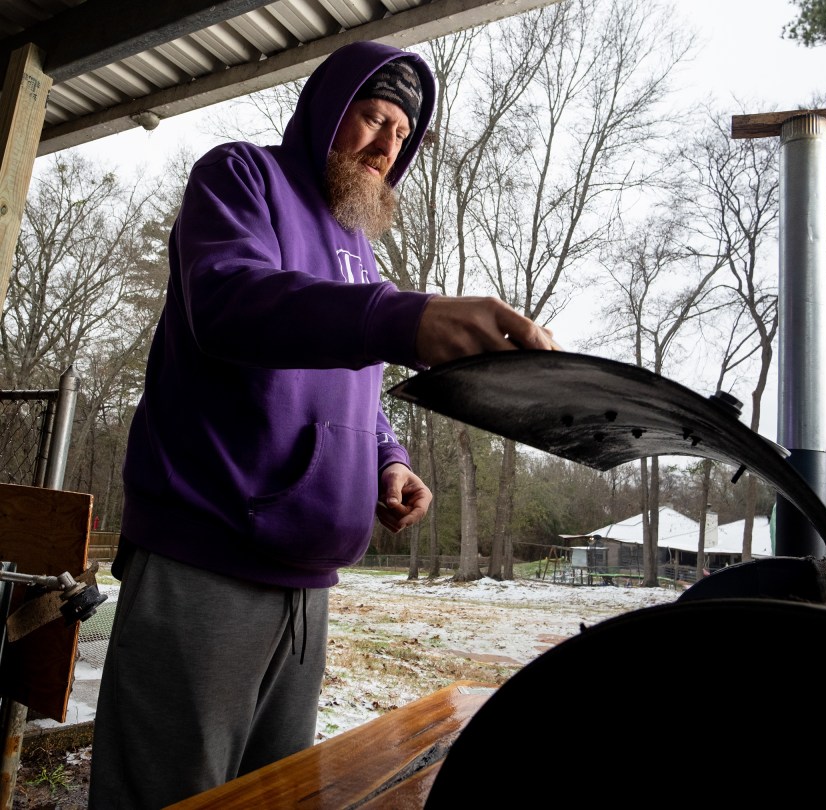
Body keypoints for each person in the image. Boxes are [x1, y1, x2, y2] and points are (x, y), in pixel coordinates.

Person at [88, 40, 558, 809]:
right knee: (170, 798)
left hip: (308, 584)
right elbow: (230, 303)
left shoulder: (364, 255)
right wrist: (402, 317)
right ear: (327, 113)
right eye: (374, 119)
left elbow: (358, 394)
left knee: (272, 800)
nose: (387, 146)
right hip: (207, 558)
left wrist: (389, 460)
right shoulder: (243, 177)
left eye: (403, 136)